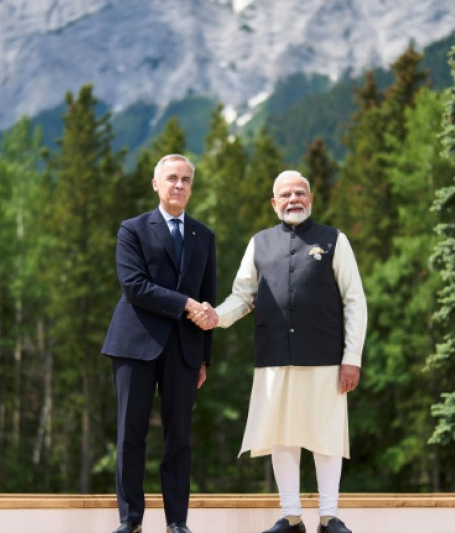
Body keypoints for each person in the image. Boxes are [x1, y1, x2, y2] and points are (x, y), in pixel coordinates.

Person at [192, 170, 367, 533]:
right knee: (281, 437)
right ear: (274, 203)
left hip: (325, 356)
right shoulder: (259, 243)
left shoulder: (335, 239)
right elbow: (243, 296)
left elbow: (355, 300)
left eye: (300, 193)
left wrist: (352, 357)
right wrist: (216, 317)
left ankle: (329, 517)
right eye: (285, 194)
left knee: (326, 436)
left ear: (311, 198)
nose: (293, 199)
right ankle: (291, 517)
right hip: (273, 356)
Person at [101, 154, 217, 533]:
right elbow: (135, 286)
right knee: (130, 434)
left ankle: (177, 522)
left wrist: (204, 358)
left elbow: (208, 300)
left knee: (179, 438)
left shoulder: (204, 236)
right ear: (156, 184)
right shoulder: (132, 229)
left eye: (186, 179)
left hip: (184, 350)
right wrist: (185, 304)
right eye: (172, 178)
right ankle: (130, 519)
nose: (179, 185)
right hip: (134, 345)